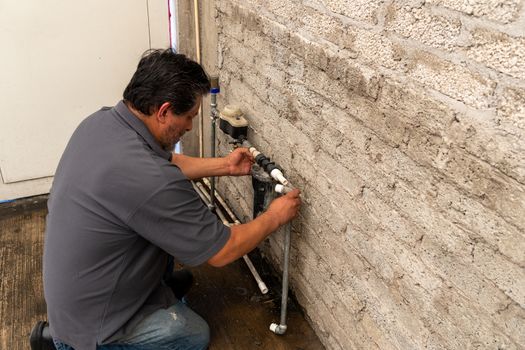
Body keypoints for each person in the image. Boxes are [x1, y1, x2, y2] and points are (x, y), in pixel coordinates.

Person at [40, 49, 301, 350]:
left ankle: (151, 296)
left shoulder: (101, 123)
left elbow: (166, 161)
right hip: (91, 328)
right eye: (189, 117)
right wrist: (275, 216)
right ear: (163, 111)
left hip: (76, 296)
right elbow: (222, 250)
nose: (190, 126)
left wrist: (225, 166)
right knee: (191, 334)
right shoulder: (152, 180)